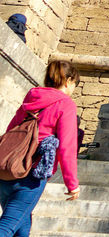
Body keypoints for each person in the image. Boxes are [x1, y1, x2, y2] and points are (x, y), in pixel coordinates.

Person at [0, 60, 81, 235]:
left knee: (21, 227)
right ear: (68, 81)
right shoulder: (66, 104)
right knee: (6, 228)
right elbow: (67, 147)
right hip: (32, 175)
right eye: (75, 84)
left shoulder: (32, 96)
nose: (74, 89)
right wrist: (72, 184)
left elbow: (12, 130)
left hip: (7, 171)